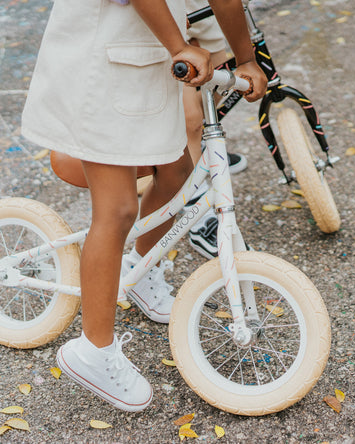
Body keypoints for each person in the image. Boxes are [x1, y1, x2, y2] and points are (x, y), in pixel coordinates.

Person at [21, 0, 266, 412]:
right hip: (103, 62)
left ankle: (141, 267)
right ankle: (93, 350)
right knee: (116, 210)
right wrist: (178, 45)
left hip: (148, 66)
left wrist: (247, 57)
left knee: (176, 173)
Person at [183, 0, 250, 259]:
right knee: (189, 118)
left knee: (219, 76)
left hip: (199, 6)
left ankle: (194, 148)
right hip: (167, 13)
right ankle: (196, 212)